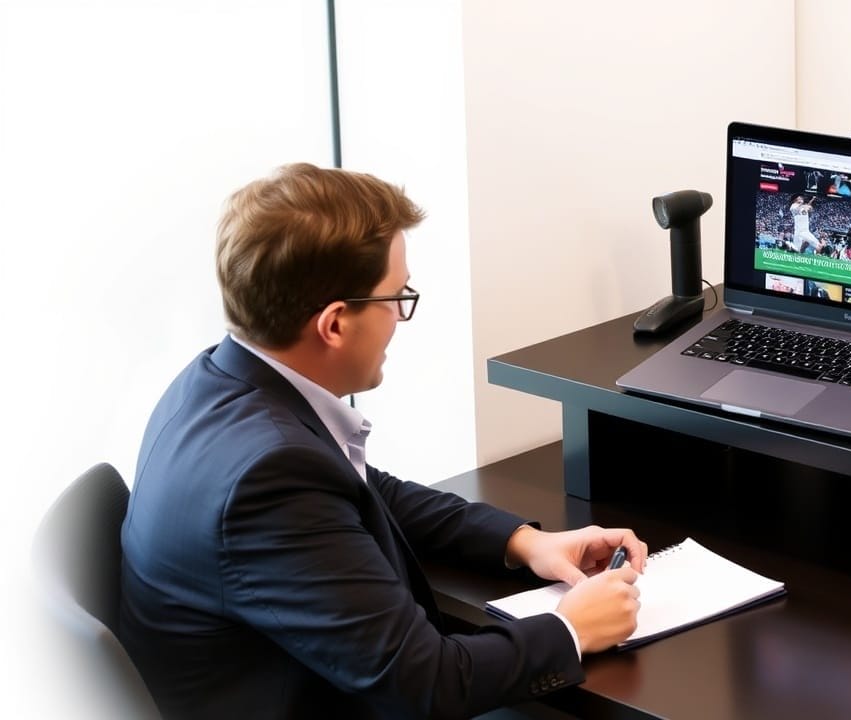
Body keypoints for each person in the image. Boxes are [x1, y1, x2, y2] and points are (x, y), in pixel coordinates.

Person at [118, 163, 647, 720]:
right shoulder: (269, 476)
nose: (399, 315)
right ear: (335, 324)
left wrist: (523, 543)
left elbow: (365, 490)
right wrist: (571, 630)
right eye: (395, 297)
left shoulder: (213, 384)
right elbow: (425, 685)